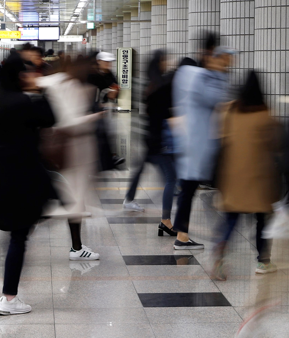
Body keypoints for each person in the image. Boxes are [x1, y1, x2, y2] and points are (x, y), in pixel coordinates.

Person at [0, 52, 56, 315]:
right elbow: (49, 118)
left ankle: (9, 295)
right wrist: (39, 90)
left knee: (18, 234)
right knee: (19, 236)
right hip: (22, 177)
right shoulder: (21, 101)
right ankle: (9, 299)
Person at [211, 71, 281, 279]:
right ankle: (263, 261)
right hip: (259, 180)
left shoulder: (229, 112)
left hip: (232, 178)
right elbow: (276, 146)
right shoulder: (265, 115)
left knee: (231, 219)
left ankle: (220, 253)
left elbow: (221, 140)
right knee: (262, 221)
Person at [39, 55, 103, 261]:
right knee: (72, 200)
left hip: (59, 149)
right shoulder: (69, 84)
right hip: (68, 151)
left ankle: (76, 246)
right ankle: (75, 247)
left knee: (72, 200)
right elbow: (71, 121)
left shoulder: (54, 81)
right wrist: (95, 117)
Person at [172, 46, 236, 250]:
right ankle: (189, 236)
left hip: (201, 146)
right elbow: (216, 101)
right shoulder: (201, 79)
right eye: (224, 60)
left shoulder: (196, 78)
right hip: (201, 146)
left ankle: (183, 234)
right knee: (193, 189)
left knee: (189, 190)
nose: (228, 64)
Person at [121, 50, 178, 237]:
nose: (167, 63)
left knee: (152, 172)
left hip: (150, 138)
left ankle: (131, 199)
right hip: (158, 140)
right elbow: (164, 115)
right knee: (170, 178)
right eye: (165, 60)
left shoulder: (151, 85)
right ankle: (165, 220)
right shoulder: (160, 87)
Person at [89, 51, 125, 169]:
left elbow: (115, 88)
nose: (108, 65)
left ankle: (111, 156)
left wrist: (115, 92)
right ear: (99, 62)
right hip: (93, 108)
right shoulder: (93, 75)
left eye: (110, 62)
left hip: (107, 107)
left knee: (110, 132)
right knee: (97, 133)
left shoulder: (110, 75)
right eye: (106, 62)